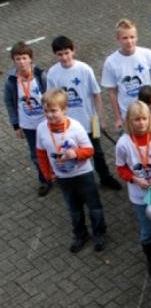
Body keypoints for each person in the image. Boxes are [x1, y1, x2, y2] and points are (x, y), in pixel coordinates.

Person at [35, 88, 107, 252]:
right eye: (46, 111)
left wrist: (75, 153)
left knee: (94, 207)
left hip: (83, 175)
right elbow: (40, 153)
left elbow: (89, 150)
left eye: (54, 110)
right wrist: (47, 174)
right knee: (73, 209)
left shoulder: (75, 127)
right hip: (62, 177)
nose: (50, 115)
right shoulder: (41, 129)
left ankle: (99, 233)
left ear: (64, 109)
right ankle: (80, 234)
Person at [47, 35, 122, 190]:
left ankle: (105, 177)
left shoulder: (84, 69)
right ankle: (79, 181)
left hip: (90, 121)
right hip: (66, 125)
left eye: (67, 53)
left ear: (73, 50)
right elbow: (51, 100)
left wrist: (101, 118)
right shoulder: (52, 74)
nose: (64, 57)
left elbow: (96, 94)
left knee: (97, 152)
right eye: (60, 54)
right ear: (55, 55)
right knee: (71, 153)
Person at [115, 101, 151, 279]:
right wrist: (134, 178)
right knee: (147, 231)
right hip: (139, 196)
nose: (141, 123)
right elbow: (120, 168)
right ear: (129, 121)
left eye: (144, 119)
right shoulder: (123, 143)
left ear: (150, 119)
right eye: (136, 120)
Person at [3, 41, 52, 196]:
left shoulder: (40, 75)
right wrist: (16, 126)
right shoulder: (11, 81)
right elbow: (9, 103)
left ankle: (60, 174)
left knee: (54, 148)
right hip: (28, 125)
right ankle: (44, 179)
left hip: (47, 122)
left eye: (24, 58)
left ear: (30, 58)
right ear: (13, 60)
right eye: (18, 59)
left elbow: (52, 96)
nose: (21, 62)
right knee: (36, 154)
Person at [101, 19, 151, 132]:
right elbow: (112, 92)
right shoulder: (110, 62)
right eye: (125, 38)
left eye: (132, 37)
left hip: (148, 111)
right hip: (128, 115)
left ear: (137, 37)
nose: (129, 41)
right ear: (118, 39)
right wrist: (118, 118)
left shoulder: (148, 55)